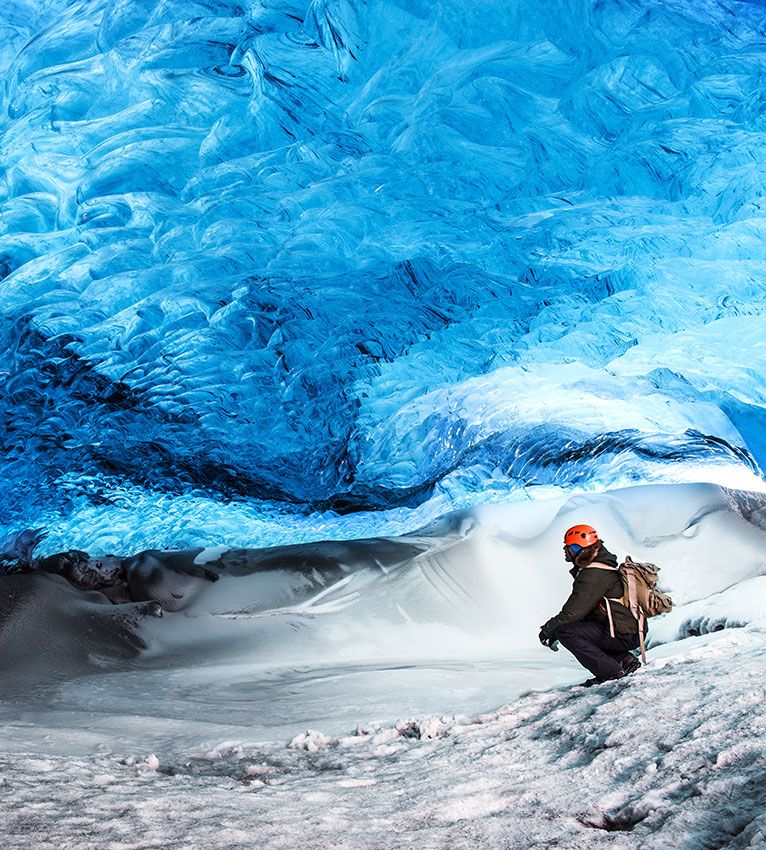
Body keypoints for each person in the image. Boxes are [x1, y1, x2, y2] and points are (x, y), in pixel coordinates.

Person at [538, 524, 643, 687]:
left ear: (577, 548)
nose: (565, 550)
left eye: (568, 546)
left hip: (623, 633)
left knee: (566, 631)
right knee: (580, 628)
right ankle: (624, 660)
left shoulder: (593, 574)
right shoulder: (599, 568)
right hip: (627, 630)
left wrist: (547, 631)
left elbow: (573, 612)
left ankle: (611, 673)